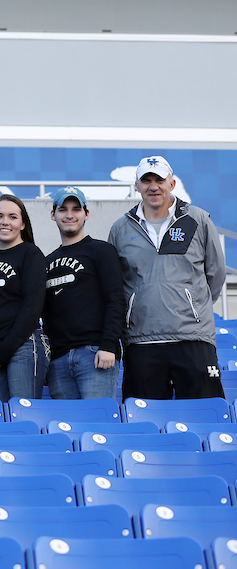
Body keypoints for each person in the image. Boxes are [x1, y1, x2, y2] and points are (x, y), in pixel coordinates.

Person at [108, 155, 226, 399]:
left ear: (171, 184)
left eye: (159, 180)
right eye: (146, 181)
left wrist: (193, 306)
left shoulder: (197, 220)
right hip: (141, 341)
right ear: (137, 186)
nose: (153, 187)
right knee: (145, 418)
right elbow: (115, 285)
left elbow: (216, 274)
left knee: (202, 413)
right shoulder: (121, 228)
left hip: (193, 338)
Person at [44, 186, 124, 400]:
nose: (69, 215)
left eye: (76, 209)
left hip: (95, 353)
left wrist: (108, 345)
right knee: (68, 421)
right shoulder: (46, 262)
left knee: (96, 419)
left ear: (86, 214)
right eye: (63, 209)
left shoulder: (101, 250)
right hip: (58, 360)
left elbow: (116, 300)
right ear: (53, 215)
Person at [0, 194, 47, 401]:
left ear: (22, 224)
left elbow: (32, 308)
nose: (5, 222)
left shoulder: (31, 254)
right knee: (2, 415)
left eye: (13, 217)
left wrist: (1, 354)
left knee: (22, 414)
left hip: (23, 347)